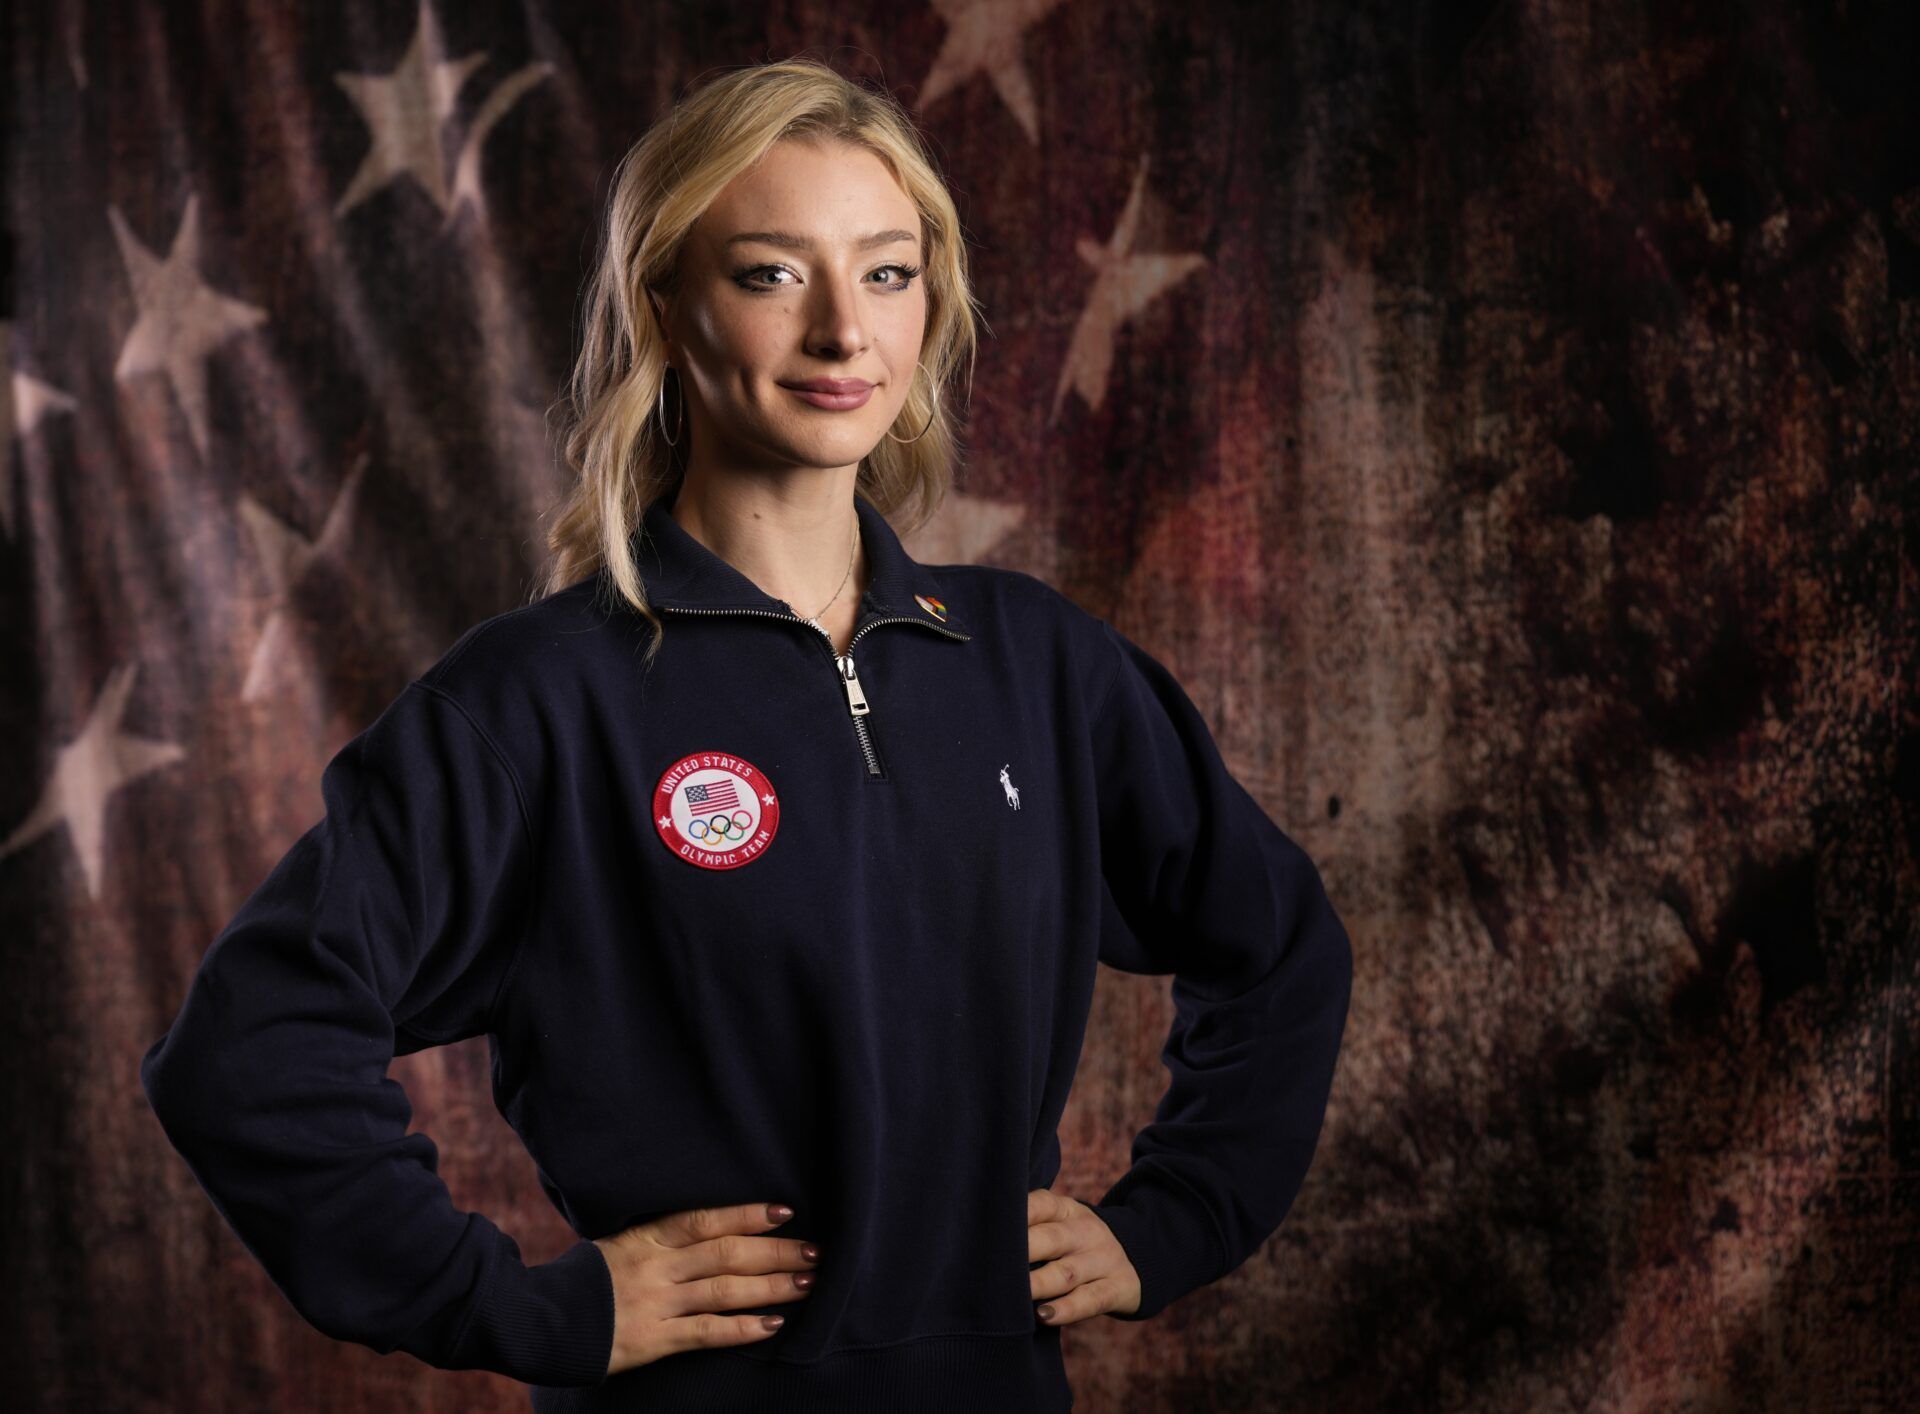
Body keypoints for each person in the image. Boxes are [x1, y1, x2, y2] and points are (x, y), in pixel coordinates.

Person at [139, 57, 1354, 1413]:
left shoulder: (1040, 666)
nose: (844, 331)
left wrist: (1174, 1218)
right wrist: (516, 1304)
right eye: (773, 272)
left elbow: (1280, 947)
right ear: (664, 306)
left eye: (886, 273)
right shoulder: (536, 703)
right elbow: (246, 1048)